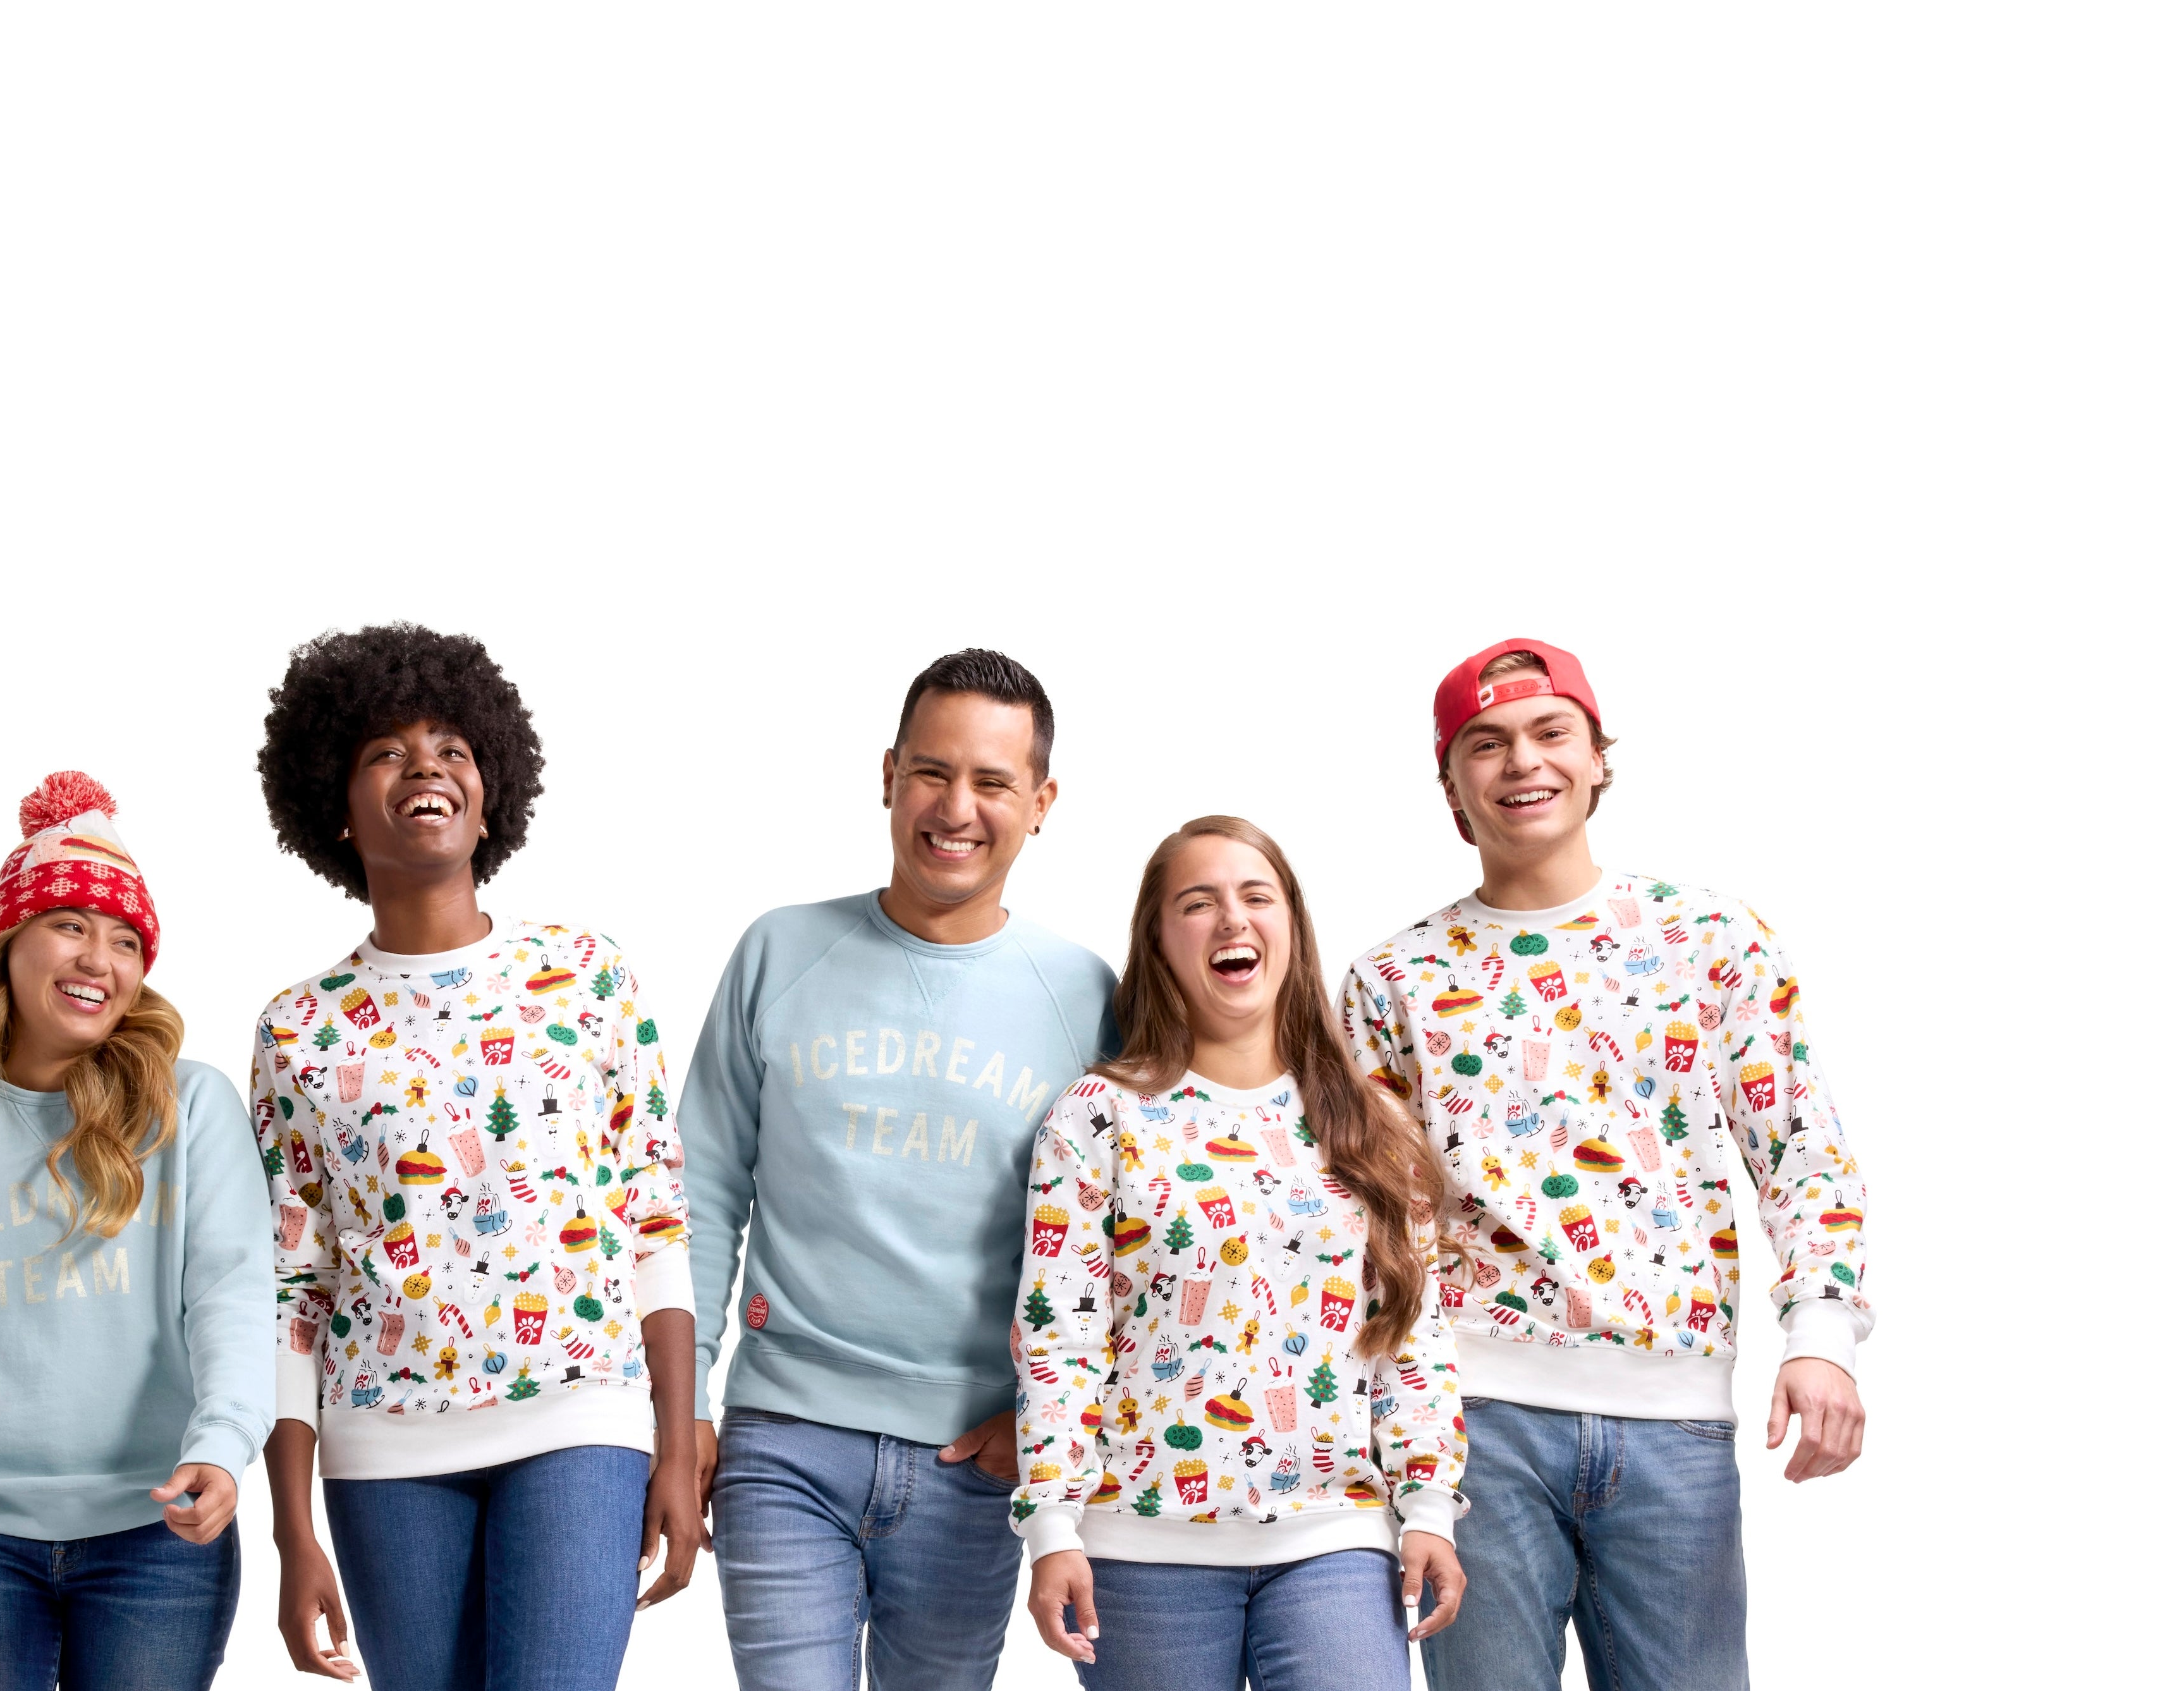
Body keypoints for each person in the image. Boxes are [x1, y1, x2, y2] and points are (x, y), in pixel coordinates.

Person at [1340, 638, 1872, 1691]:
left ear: (1596, 759)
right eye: (1484, 745)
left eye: (1550, 733)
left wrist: (1823, 1338)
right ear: (1451, 786)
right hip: (1472, 1430)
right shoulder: (1391, 981)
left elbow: (1801, 1146)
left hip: (1674, 1422)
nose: (1521, 762)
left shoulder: (1708, 936)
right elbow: (1367, 1228)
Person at [247, 623, 700, 1691]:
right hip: (384, 1449)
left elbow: (655, 1219)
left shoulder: (585, 975)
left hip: (582, 1415)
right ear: (336, 808)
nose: (425, 768)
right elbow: (293, 1288)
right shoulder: (297, 1029)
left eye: (452, 747)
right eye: (385, 753)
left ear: (491, 791)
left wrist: (677, 1447)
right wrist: (291, 1534)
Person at [678, 648, 1118, 1691]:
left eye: (992, 782)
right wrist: (687, 1401)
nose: (955, 807)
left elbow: (1124, 1239)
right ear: (888, 776)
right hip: (784, 1439)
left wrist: (1046, 1422)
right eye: (931, 772)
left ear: (1042, 802)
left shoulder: (1087, 993)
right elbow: (697, 1190)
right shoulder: (782, 951)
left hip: (975, 1462)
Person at [0, 771, 273, 1690]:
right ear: (9, 946)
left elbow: (232, 1299)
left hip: (156, 1525)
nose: (99, 961)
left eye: (125, 942)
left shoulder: (189, 1107)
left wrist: (221, 1446)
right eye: (69, 926)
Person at [1015, 817, 1464, 1691]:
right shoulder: (1095, 1118)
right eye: (1198, 903)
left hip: (1336, 1535)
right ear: (1158, 940)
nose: (1233, 920)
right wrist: (1052, 1527)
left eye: (1256, 897)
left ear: (1290, 924)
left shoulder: (1374, 1127)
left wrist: (1431, 1508)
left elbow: (1411, 1340)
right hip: (1144, 1549)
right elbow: (1059, 1338)